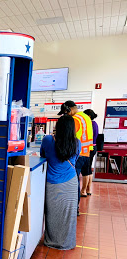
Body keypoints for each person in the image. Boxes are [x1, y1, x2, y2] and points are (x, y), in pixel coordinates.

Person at [41, 115, 81, 250]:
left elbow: (42, 155)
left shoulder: (47, 140)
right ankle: (67, 243)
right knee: (68, 215)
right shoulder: (77, 142)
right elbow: (75, 159)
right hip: (70, 182)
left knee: (52, 213)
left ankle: (51, 241)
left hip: (52, 183)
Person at [57, 100, 93, 215]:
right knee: (79, 178)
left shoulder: (75, 119)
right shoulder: (85, 116)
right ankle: (75, 207)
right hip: (86, 152)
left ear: (70, 109)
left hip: (77, 153)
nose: (65, 115)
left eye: (66, 112)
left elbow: (69, 135)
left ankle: (74, 208)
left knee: (74, 182)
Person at [82, 109, 99, 196]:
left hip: (88, 148)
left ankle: (84, 190)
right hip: (93, 147)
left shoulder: (89, 124)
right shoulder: (95, 124)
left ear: (88, 116)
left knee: (86, 169)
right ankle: (88, 189)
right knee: (89, 169)